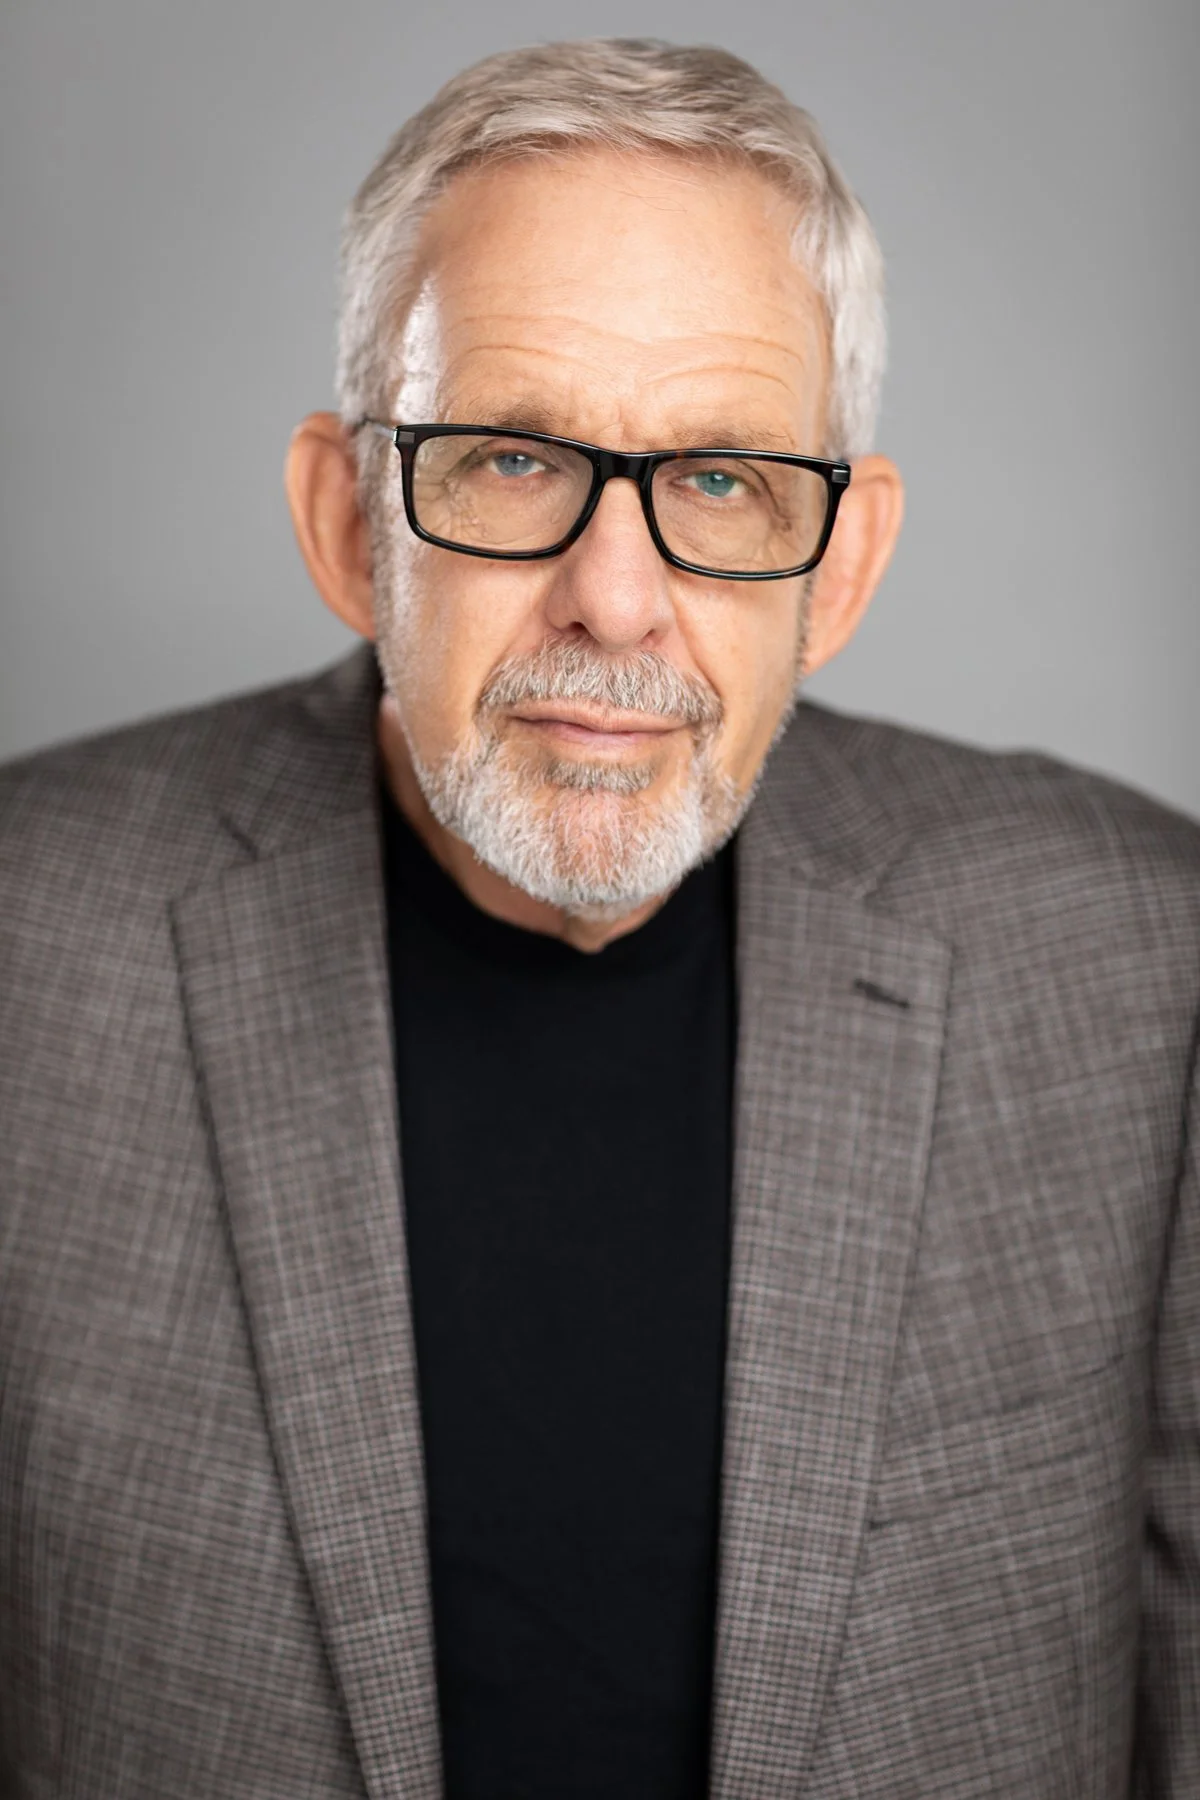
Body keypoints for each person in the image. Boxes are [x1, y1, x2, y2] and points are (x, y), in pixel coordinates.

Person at [0, 34, 1196, 1800]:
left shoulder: (1142, 967)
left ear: (842, 568)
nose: (616, 601)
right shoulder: (28, 955)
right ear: (348, 523)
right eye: (507, 462)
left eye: (722, 481)